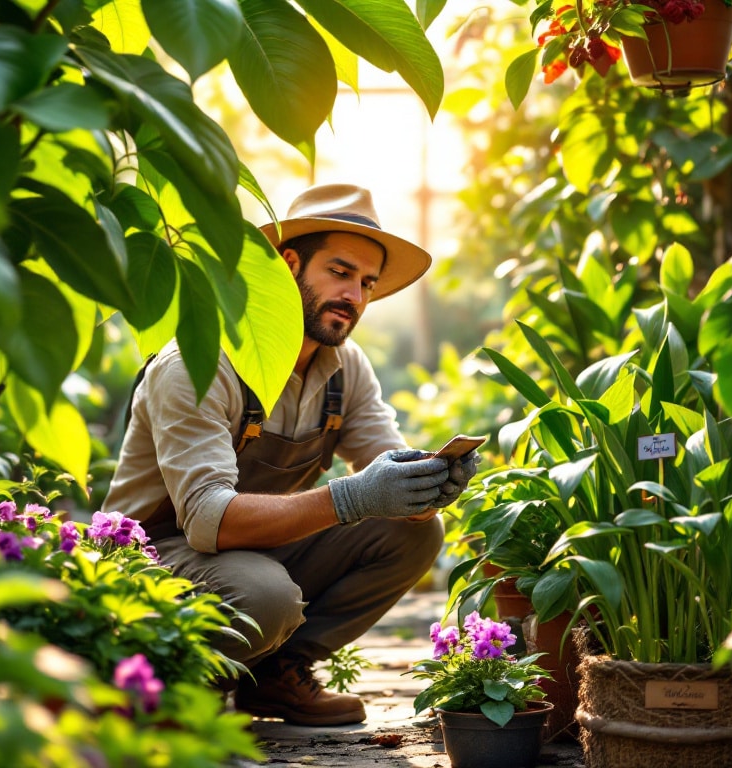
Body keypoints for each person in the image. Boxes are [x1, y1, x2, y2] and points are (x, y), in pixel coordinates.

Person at [103, 183, 481, 726]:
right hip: (161, 553)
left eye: (368, 283)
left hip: (259, 547)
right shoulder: (198, 362)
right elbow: (208, 519)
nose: (355, 296)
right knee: (266, 597)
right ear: (288, 263)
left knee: (413, 532)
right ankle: (178, 682)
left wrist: (426, 486)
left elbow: (386, 465)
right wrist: (353, 496)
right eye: (340, 271)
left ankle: (278, 675)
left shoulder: (345, 369)